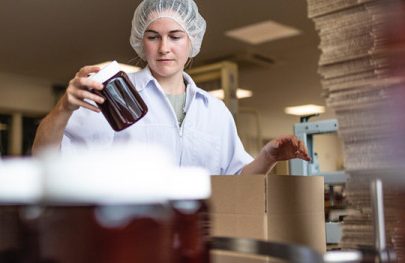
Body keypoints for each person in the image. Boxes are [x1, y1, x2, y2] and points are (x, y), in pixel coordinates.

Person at [32, 0, 311, 175]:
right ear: (142, 42)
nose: (164, 48)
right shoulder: (112, 96)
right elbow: (46, 159)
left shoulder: (214, 111)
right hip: (130, 242)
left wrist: (268, 157)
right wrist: (64, 107)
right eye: (154, 37)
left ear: (192, 41)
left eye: (175, 36)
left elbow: (236, 184)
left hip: (196, 242)